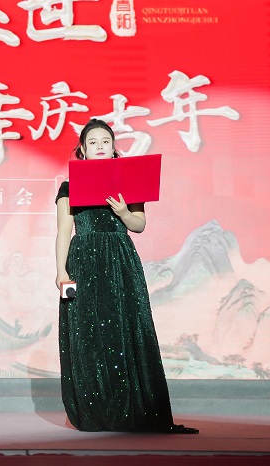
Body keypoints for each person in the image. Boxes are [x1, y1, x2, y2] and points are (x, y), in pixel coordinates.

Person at [54, 119, 196, 434]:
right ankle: (95, 411)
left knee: (127, 328)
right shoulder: (69, 186)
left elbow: (139, 225)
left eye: (105, 141)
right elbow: (64, 231)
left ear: (113, 146)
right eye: (93, 142)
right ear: (83, 149)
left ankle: (132, 409)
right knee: (85, 333)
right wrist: (61, 271)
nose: (100, 146)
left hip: (120, 262)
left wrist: (122, 212)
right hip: (82, 263)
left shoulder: (129, 179)